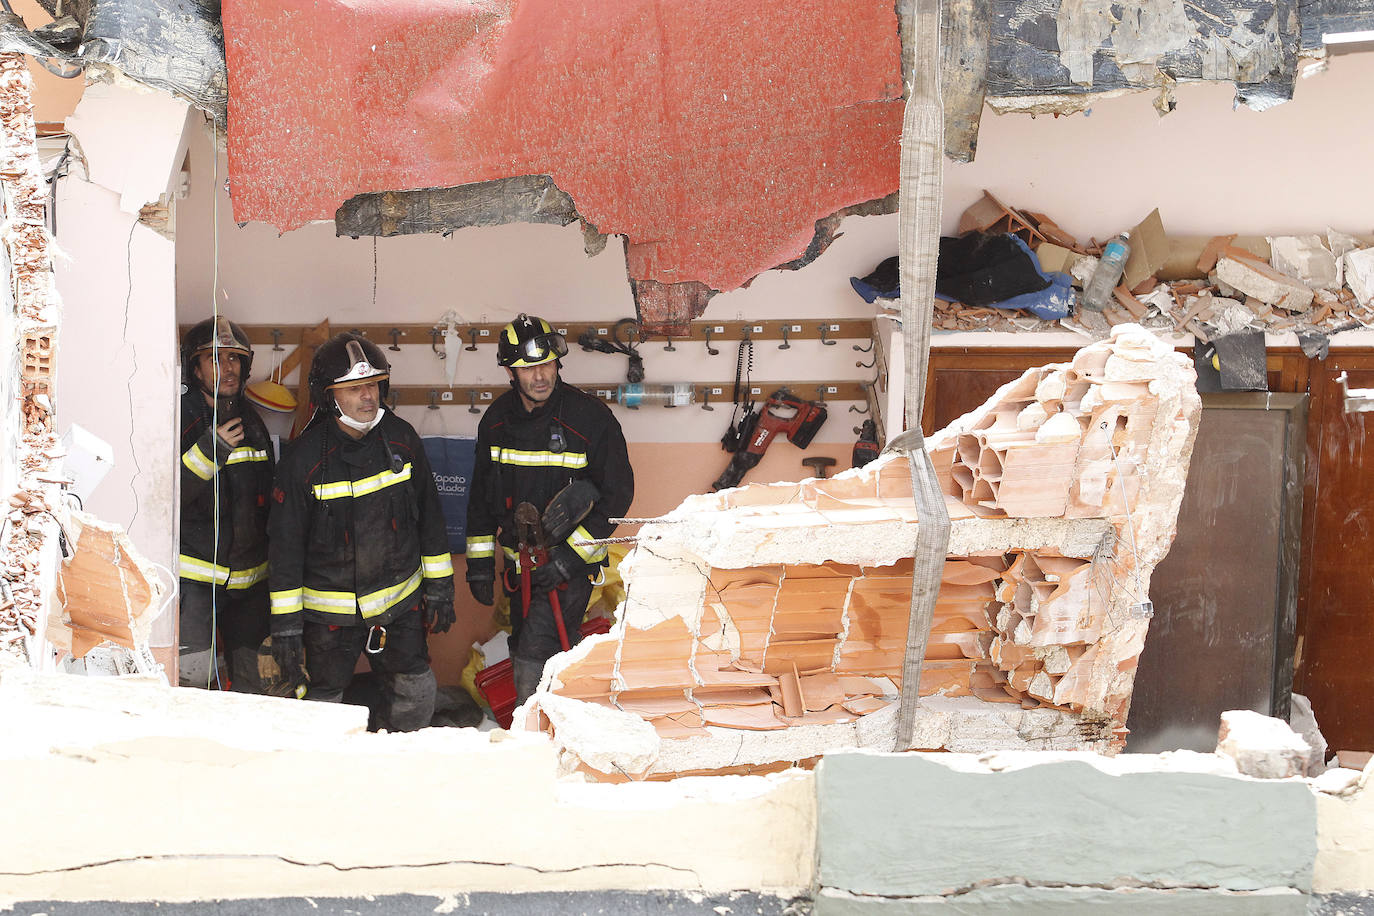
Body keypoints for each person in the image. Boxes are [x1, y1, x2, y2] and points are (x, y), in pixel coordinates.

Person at [268, 332, 455, 730]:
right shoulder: (302, 462)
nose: (368, 396)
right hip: (330, 621)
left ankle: (404, 759)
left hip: (400, 608)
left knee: (416, 692)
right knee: (323, 709)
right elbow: (285, 550)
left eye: (372, 385)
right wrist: (287, 628)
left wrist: (441, 586)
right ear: (328, 396)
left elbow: (430, 518)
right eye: (354, 388)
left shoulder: (403, 440)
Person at [465, 313, 634, 704]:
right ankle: (552, 717)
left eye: (547, 364)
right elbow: (481, 498)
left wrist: (569, 560)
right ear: (510, 372)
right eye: (528, 368)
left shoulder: (590, 419)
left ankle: (534, 728)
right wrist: (479, 565)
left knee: (537, 650)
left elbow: (617, 496)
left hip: (567, 568)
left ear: (558, 363)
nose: (540, 376)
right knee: (525, 641)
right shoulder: (496, 422)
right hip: (518, 568)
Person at [178, 316, 273, 691]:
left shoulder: (252, 422)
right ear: (195, 368)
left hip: (250, 585)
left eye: (234, 358)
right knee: (192, 681)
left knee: (254, 684)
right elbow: (164, 500)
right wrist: (209, 451)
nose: (227, 367)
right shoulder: (180, 419)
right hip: (195, 583)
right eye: (214, 358)